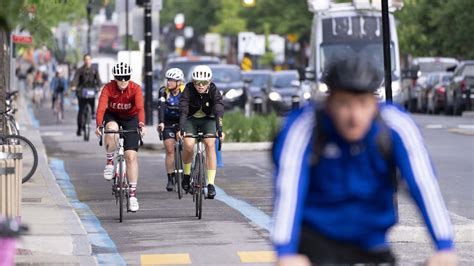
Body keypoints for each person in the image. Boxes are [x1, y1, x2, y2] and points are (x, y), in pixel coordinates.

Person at [272, 53, 456, 266]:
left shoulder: (395, 125)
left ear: (375, 103)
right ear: (329, 103)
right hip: (317, 242)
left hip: (371, 243)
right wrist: (285, 252)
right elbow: (288, 190)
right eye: (344, 104)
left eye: (363, 103)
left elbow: (423, 184)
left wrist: (444, 247)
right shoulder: (304, 128)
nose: (354, 116)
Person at [95, 62, 146, 212]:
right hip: (113, 116)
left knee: (131, 157)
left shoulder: (135, 88)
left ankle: (132, 195)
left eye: (126, 77)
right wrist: (99, 126)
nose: (123, 80)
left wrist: (141, 125)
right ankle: (110, 162)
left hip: (131, 118)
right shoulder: (108, 88)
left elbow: (140, 108)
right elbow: (101, 108)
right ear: (115, 78)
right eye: (119, 78)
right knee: (111, 129)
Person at [177, 65, 224, 199]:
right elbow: (184, 108)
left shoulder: (214, 90)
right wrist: (181, 127)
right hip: (191, 120)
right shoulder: (188, 89)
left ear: (209, 82)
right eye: (198, 82)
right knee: (189, 143)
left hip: (208, 120)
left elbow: (219, 109)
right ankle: (186, 175)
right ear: (193, 82)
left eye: (204, 83)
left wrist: (219, 129)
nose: (201, 85)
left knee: (210, 144)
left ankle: (210, 184)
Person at [157, 68, 185, 191]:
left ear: (179, 82)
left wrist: (182, 127)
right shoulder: (164, 91)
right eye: (168, 80)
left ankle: (187, 172)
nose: (168, 82)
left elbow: (186, 111)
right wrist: (161, 122)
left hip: (182, 121)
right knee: (169, 149)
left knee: (187, 146)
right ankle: (170, 178)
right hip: (167, 121)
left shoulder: (185, 92)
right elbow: (161, 107)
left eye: (172, 80)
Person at [72, 54, 102, 136]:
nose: (87, 61)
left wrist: (100, 86)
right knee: (81, 110)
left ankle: (92, 113)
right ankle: (79, 128)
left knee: (92, 103)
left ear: (91, 60)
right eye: (86, 59)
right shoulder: (80, 70)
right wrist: (74, 86)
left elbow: (98, 80)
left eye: (89, 59)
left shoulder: (94, 70)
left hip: (91, 91)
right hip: (81, 91)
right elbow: (75, 79)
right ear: (84, 60)